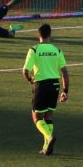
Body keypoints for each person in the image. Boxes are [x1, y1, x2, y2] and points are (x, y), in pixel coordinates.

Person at [23, 24, 69, 155]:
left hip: (41, 85)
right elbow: (64, 72)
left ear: (38, 35)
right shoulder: (57, 50)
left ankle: (49, 138)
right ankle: (45, 147)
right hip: (54, 85)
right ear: (50, 35)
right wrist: (65, 91)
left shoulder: (34, 50)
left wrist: (30, 79)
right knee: (48, 115)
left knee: (36, 116)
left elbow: (25, 71)